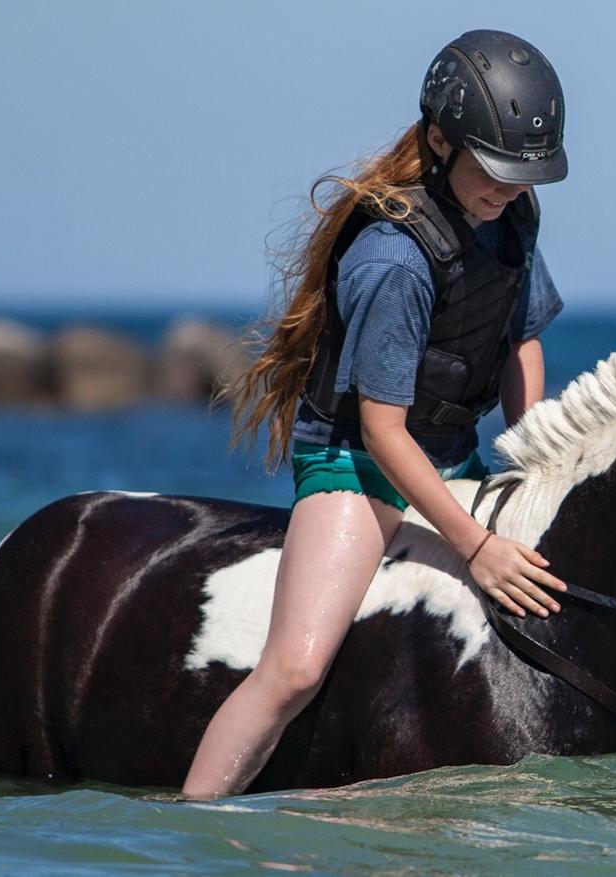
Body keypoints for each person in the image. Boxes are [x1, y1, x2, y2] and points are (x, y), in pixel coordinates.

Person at [183, 29, 570, 799]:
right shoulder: (395, 260)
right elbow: (382, 431)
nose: (510, 191)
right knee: (294, 667)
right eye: (496, 172)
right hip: (360, 467)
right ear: (438, 139)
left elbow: (521, 341)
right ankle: (194, 814)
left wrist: (537, 460)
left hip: (452, 453)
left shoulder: (513, 221)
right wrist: (477, 547)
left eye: (526, 178)